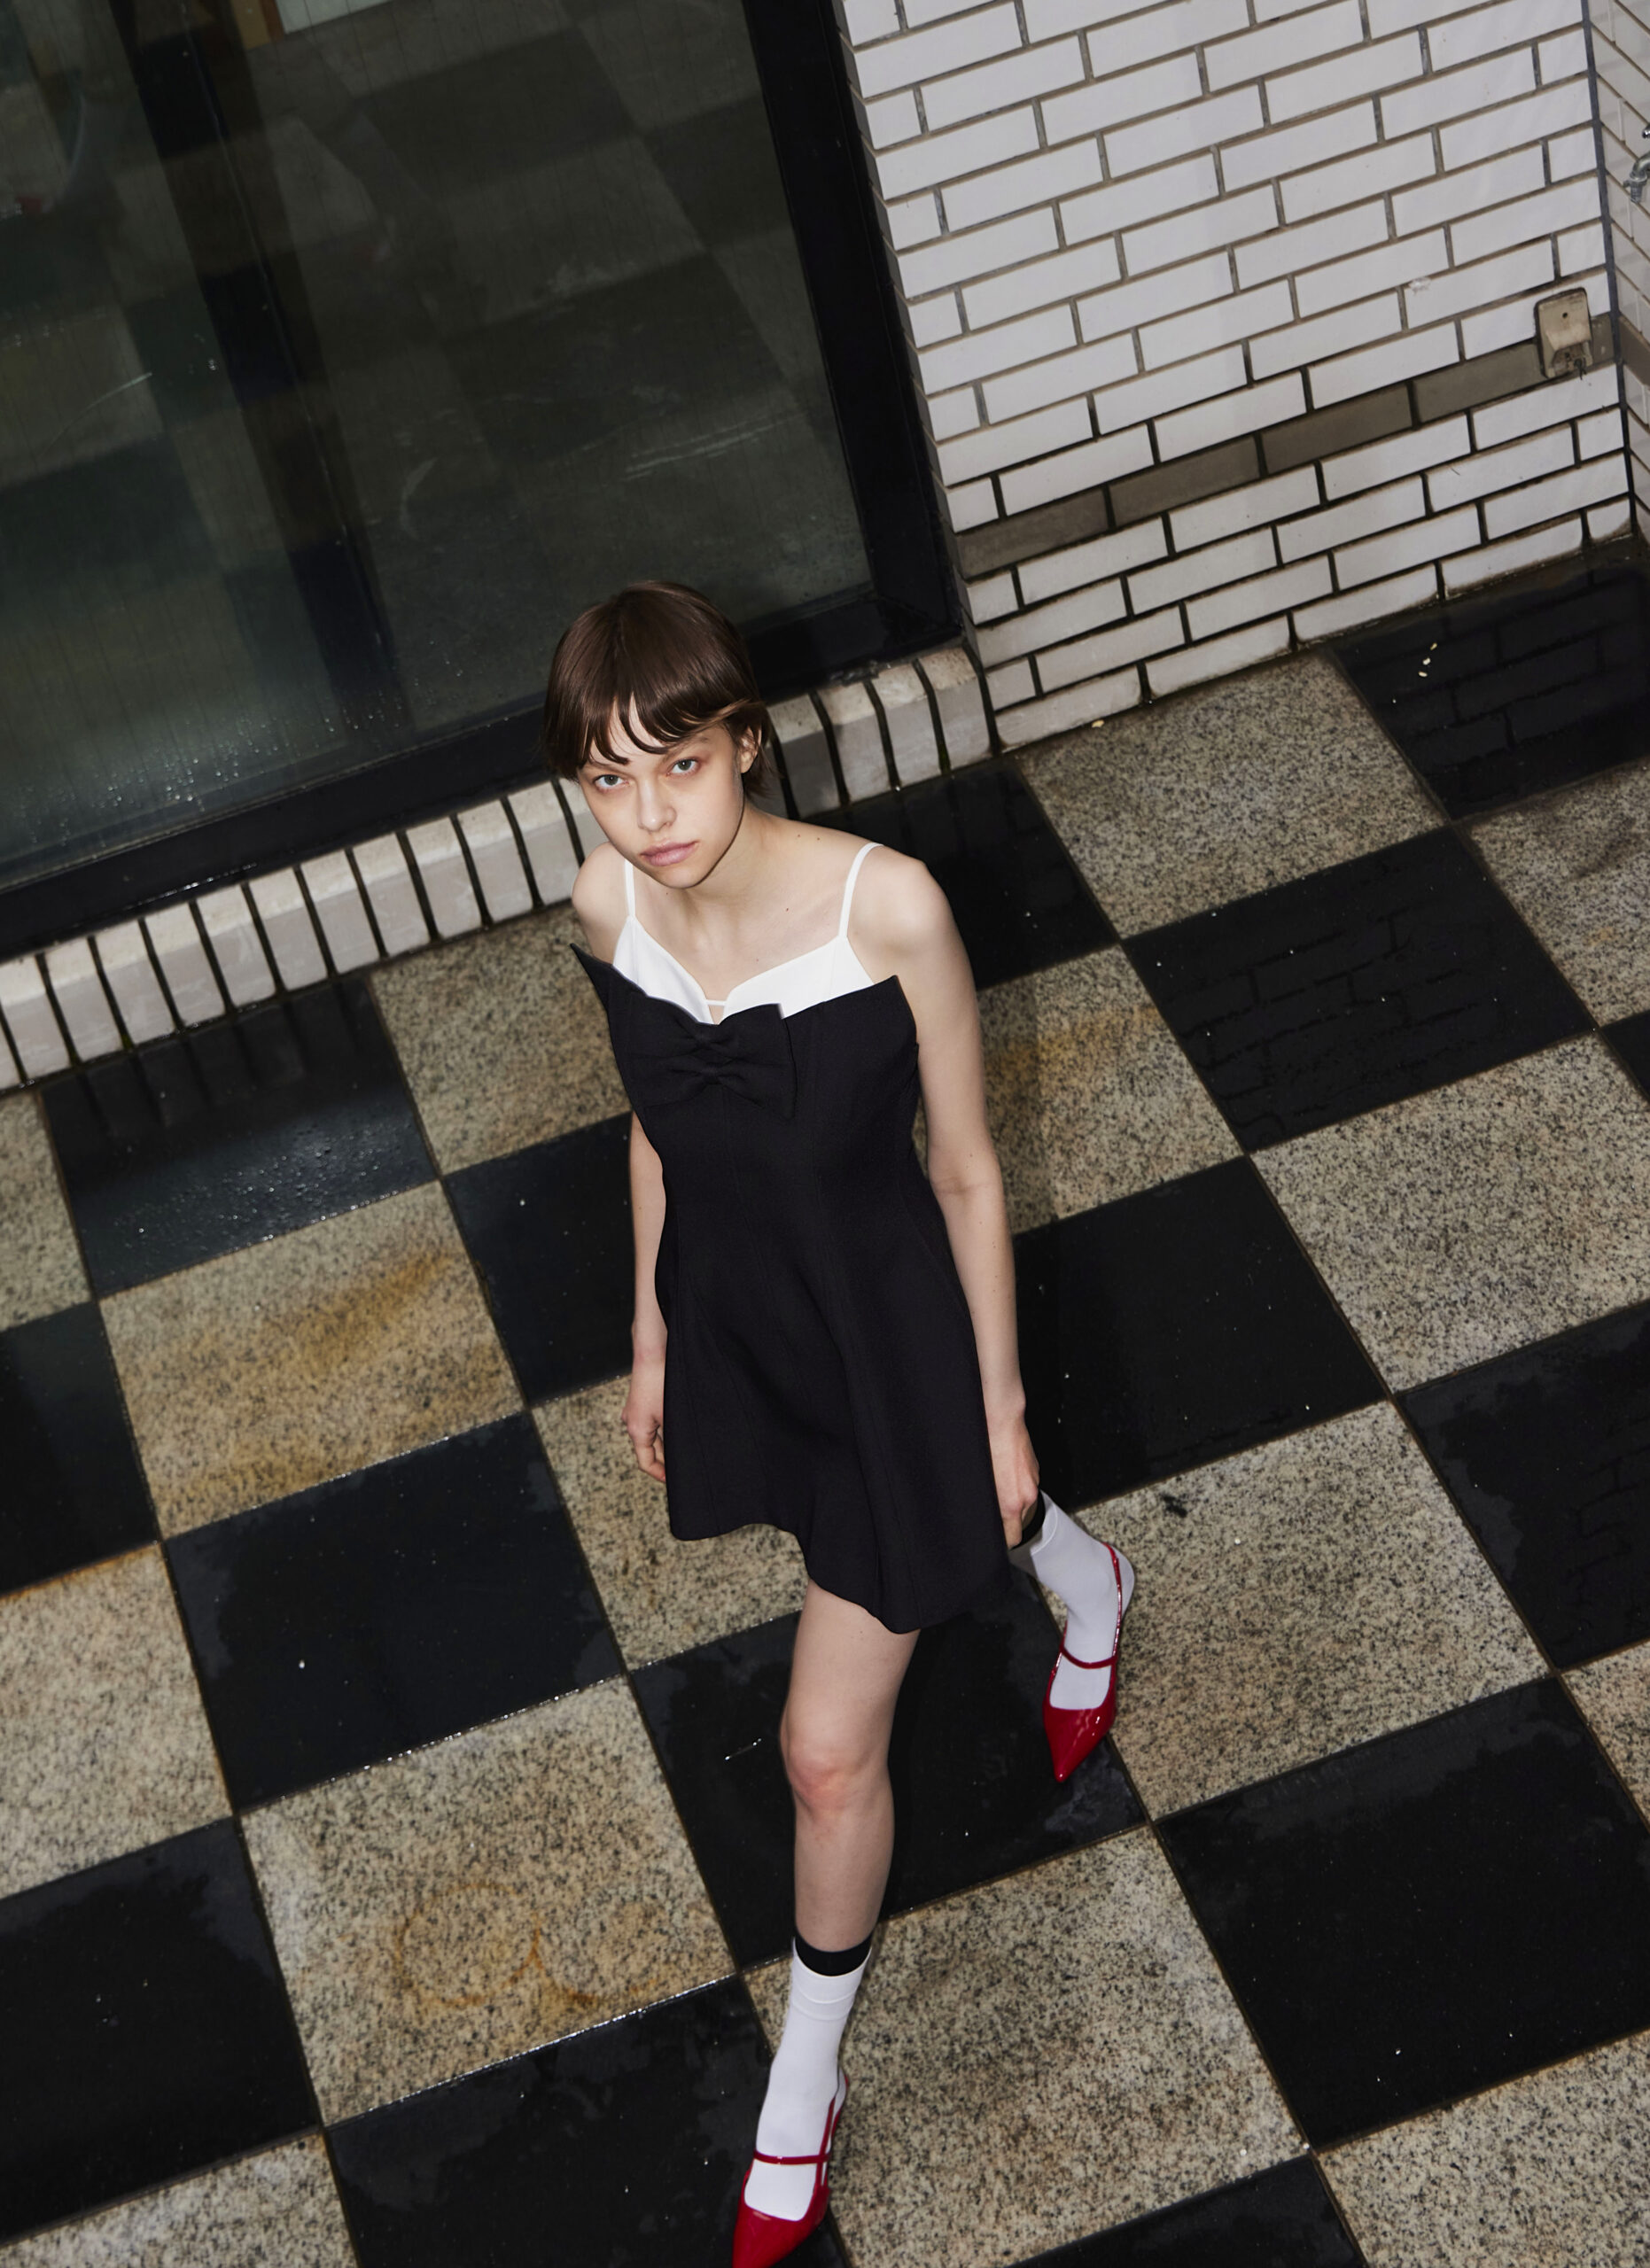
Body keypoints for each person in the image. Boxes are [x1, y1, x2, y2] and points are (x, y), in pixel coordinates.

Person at [548, 581, 1133, 2268]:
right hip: (744, 1323)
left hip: (890, 1345)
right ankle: (1081, 1574)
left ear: (746, 740)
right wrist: (652, 1329)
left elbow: (965, 1173)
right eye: (605, 779)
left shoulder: (889, 908)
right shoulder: (606, 906)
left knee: (823, 1751)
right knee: (933, 1534)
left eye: (677, 765)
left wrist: (994, 1407)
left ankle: (801, 2083)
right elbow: (655, 1126)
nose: (647, 817)